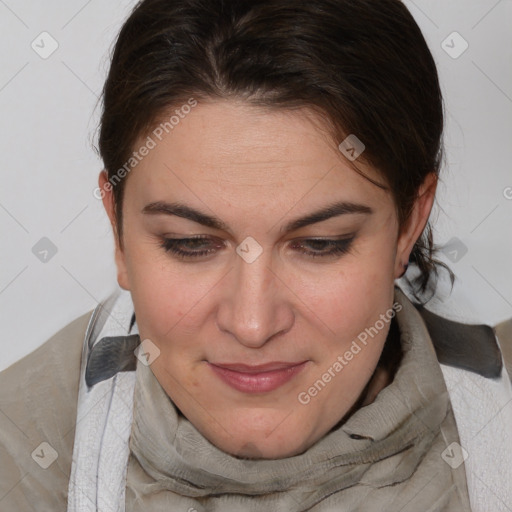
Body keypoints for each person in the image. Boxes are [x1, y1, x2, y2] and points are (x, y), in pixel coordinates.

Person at [1, 0, 511, 510]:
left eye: (320, 244)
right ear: (118, 230)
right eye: (190, 244)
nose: (252, 324)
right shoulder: (20, 452)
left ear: (409, 225)